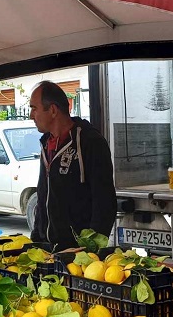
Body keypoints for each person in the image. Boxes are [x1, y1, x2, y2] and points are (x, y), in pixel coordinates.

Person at [28, 81, 116, 249]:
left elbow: (104, 200)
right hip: (47, 248)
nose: (31, 115)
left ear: (53, 110)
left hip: (78, 252)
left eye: (34, 108)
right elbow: (43, 193)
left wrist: (91, 249)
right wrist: (37, 237)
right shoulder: (46, 143)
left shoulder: (90, 141)